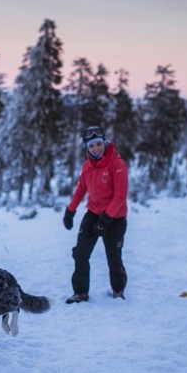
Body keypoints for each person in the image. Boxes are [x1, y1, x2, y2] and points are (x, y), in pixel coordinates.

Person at [63, 126, 128, 303]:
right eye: (91, 146)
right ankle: (81, 293)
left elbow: (120, 196)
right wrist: (70, 211)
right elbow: (81, 189)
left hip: (115, 218)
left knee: (113, 255)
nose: (96, 148)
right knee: (80, 253)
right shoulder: (87, 167)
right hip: (93, 214)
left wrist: (105, 220)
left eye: (98, 144)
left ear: (104, 143)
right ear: (87, 148)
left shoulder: (117, 165)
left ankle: (118, 290)